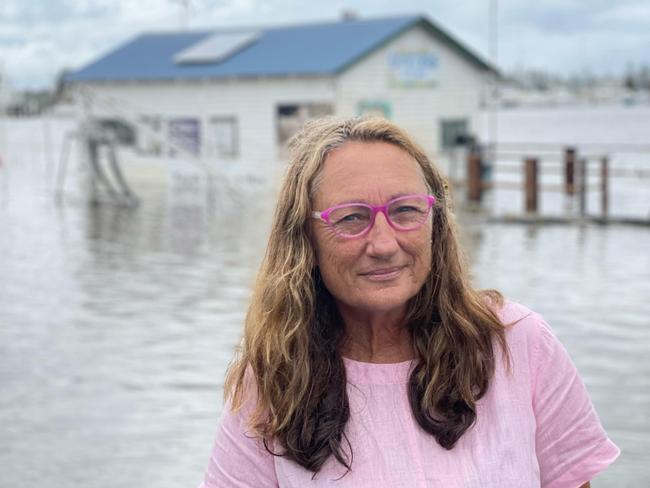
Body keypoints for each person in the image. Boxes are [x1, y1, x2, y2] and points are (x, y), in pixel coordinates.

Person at [199, 116, 619, 487]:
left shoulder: (518, 344)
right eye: (351, 217)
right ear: (304, 239)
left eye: (405, 210)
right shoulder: (273, 380)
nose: (383, 243)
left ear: (436, 222)